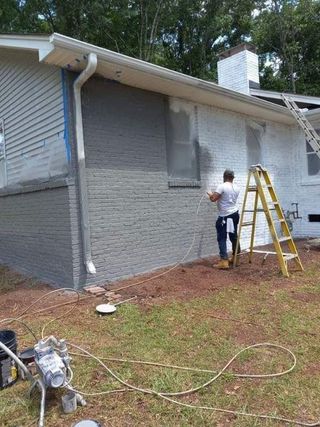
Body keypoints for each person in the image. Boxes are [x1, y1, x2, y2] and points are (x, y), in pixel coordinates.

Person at [207, 169, 241, 269]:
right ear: (232, 178)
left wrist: (210, 194)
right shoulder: (236, 187)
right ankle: (236, 258)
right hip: (234, 214)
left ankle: (224, 262)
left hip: (224, 216)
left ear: (224, 177)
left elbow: (213, 199)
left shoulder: (222, 186)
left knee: (222, 238)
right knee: (234, 236)